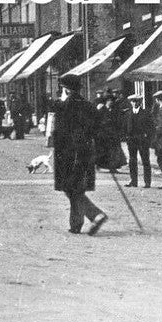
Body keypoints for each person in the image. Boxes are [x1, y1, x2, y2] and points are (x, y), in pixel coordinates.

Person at [52, 74, 108, 235]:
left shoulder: (66, 105)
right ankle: (78, 223)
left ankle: (95, 215)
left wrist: (63, 101)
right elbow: (98, 126)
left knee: (72, 188)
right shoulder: (88, 105)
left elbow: (59, 122)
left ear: (66, 89)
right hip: (85, 151)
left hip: (69, 153)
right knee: (75, 188)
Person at [124, 94, 153, 188]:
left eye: (137, 101)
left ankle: (147, 182)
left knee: (145, 161)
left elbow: (151, 127)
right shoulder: (127, 114)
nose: (135, 103)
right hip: (131, 140)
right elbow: (124, 127)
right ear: (130, 102)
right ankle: (133, 181)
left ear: (140, 102)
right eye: (133, 101)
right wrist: (126, 137)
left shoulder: (146, 113)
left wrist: (147, 137)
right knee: (132, 161)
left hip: (142, 140)